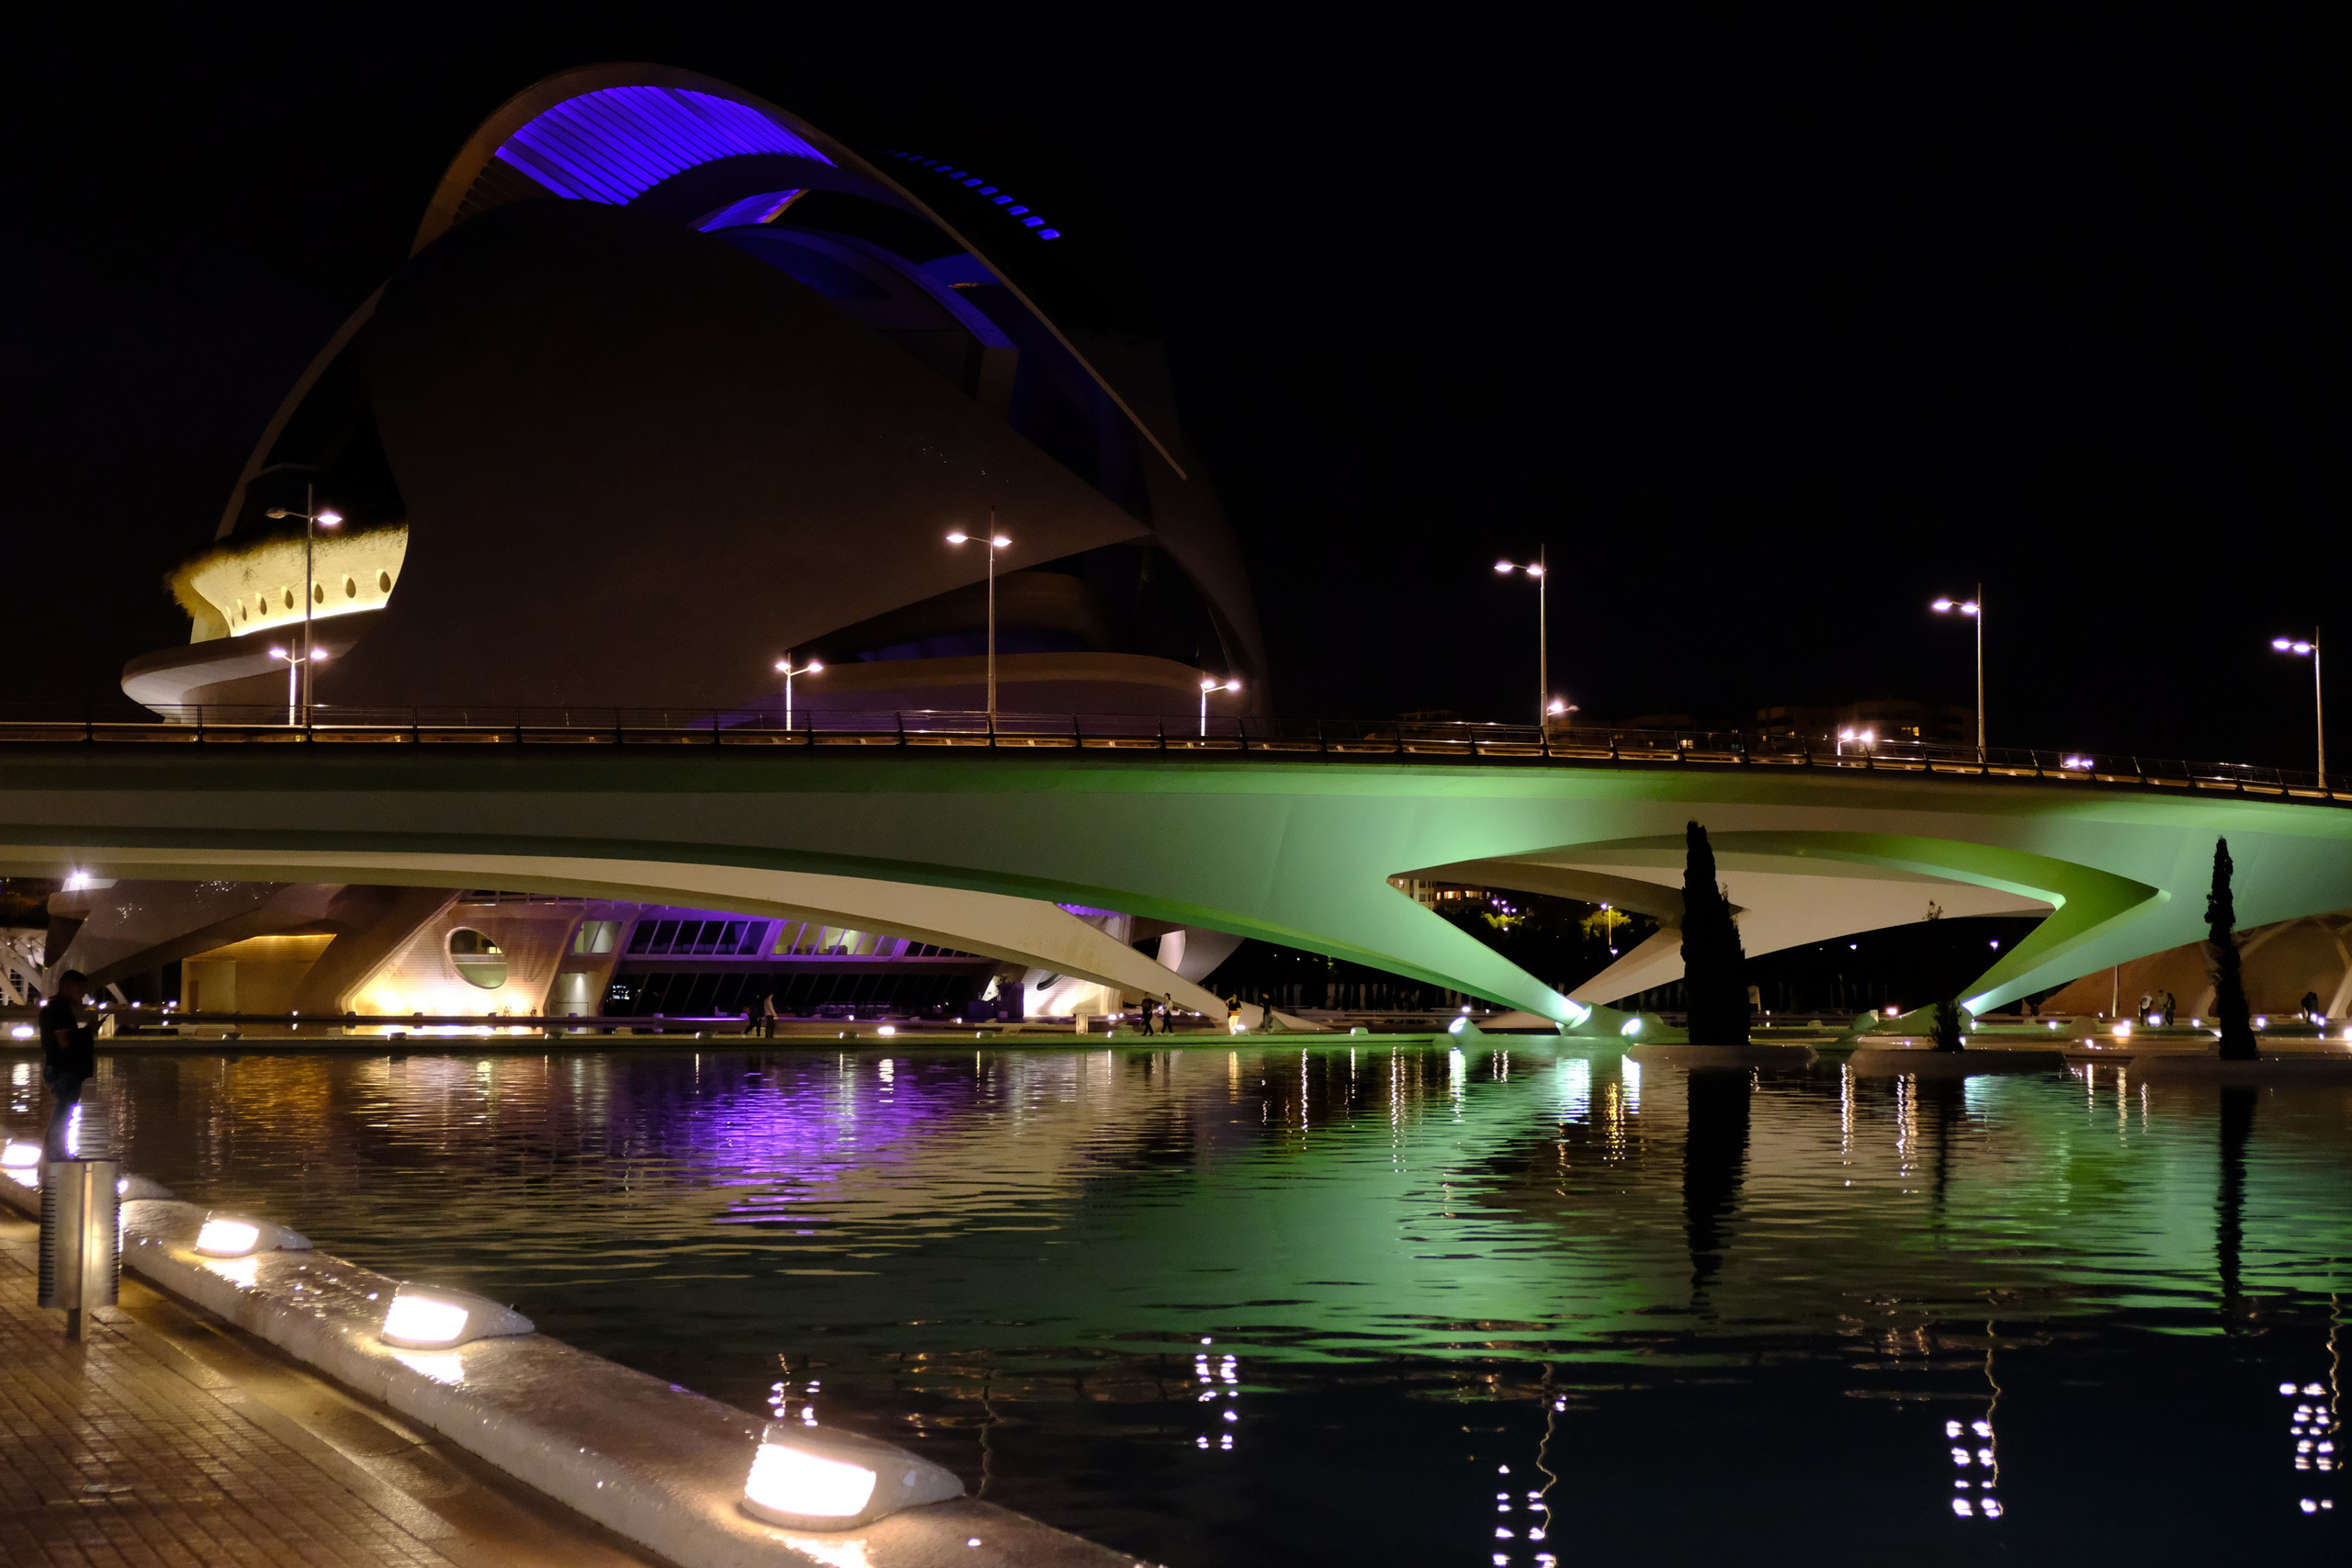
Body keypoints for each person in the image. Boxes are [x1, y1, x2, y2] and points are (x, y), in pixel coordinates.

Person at [39, 971, 96, 1159]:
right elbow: (64, 1042)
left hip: (59, 1067)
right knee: (62, 1114)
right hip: (64, 1069)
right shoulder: (59, 1009)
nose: (82, 995)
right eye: (79, 990)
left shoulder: (53, 1007)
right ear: (66, 987)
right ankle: (57, 1156)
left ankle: (53, 1155)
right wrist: (88, 1032)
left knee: (62, 1113)